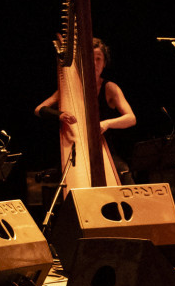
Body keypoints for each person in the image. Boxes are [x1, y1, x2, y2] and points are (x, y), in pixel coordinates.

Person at [35, 37, 136, 182]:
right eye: (91, 59)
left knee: (123, 173)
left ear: (105, 63)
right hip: (75, 151)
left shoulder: (110, 88)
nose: (94, 63)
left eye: (99, 59)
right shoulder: (69, 88)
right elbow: (38, 109)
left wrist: (106, 124)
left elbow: (131, 118)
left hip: (104, 151)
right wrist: (60, 115)